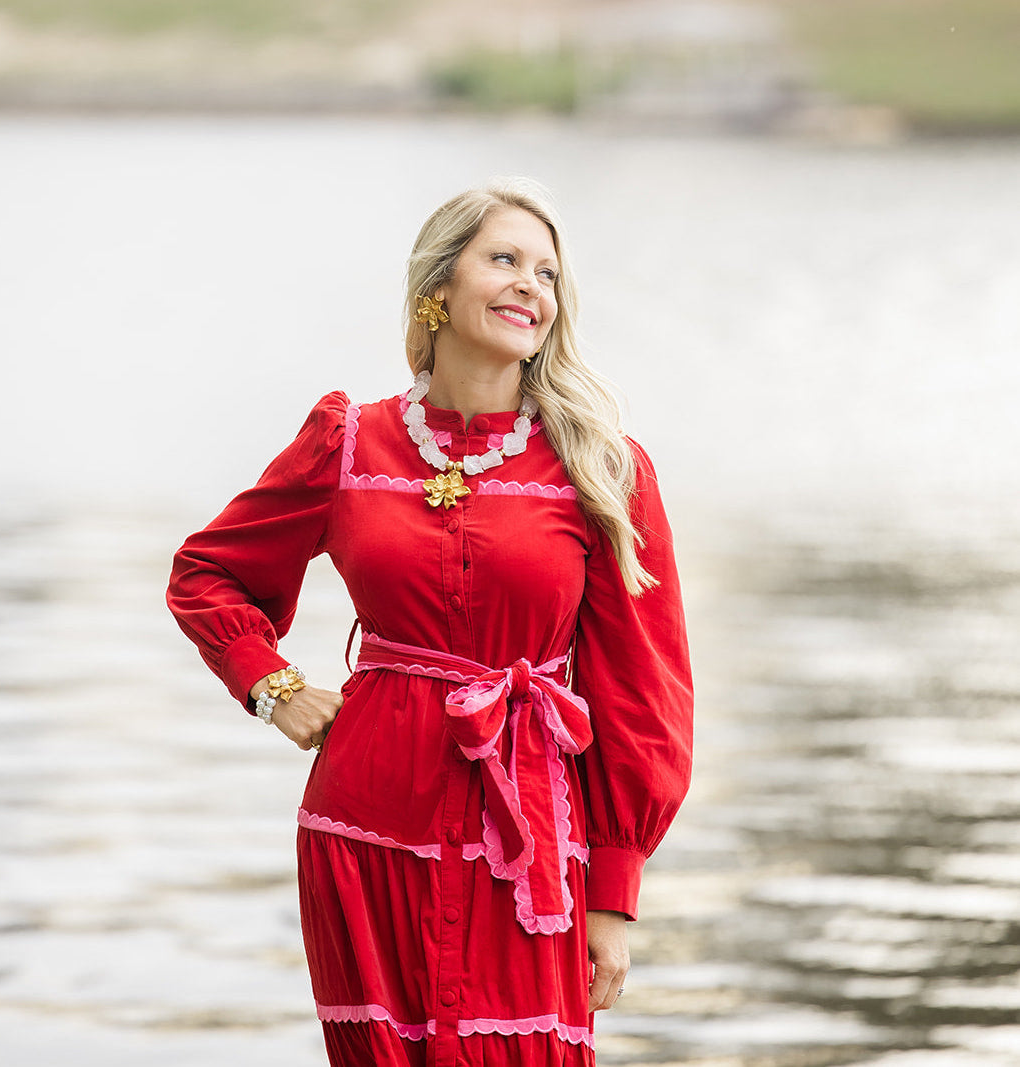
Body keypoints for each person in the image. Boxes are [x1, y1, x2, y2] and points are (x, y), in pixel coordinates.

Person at [167, 178, 693, 1067]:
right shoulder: (347, 442)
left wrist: (613, 890)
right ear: (438, 286)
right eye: (504, 259)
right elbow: (207, 572)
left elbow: (644, 689)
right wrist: (272, 686)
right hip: (366, 822)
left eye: (547, 273)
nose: (529, 284)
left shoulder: (602, 467)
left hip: (528, 834)